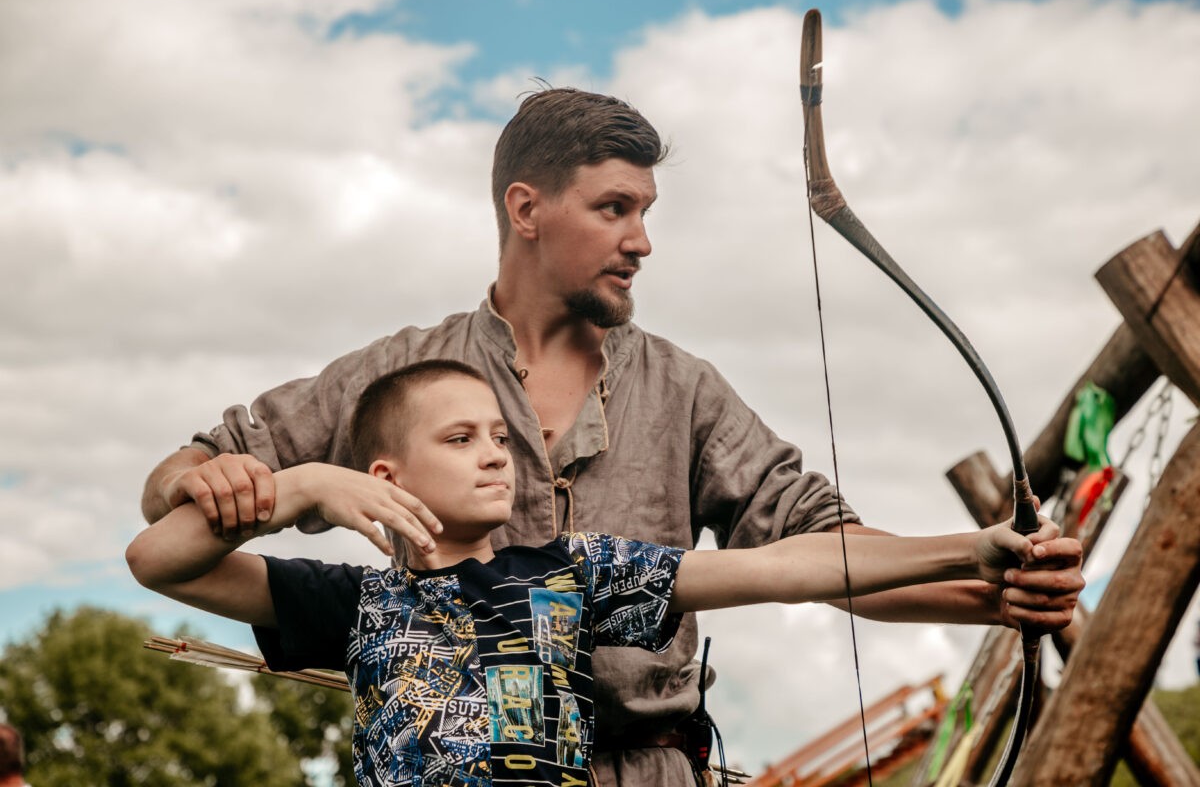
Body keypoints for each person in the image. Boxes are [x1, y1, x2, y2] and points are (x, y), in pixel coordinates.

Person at [139, 88, 1084, 785]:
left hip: (655, 767)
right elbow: (173, 506)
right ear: (526, 210)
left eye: (646, 212)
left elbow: (810, 555)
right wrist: (251, 480)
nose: (641, 240)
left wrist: (993, 585)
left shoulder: (682, 389)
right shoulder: (407, 378)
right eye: (613, 209)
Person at [128, 361, 1073, 787]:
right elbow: (156, 562)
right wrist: (305, 483)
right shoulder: (356, 602)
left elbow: (783, 568)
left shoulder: (569, 576)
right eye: (460, 439)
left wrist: (969, 549)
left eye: (502, 437)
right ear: (388, 477)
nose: (497, 455)